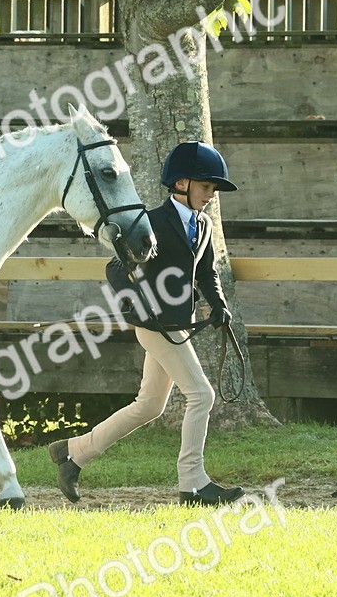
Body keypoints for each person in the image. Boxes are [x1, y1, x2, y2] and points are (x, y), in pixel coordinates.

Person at [48, 141, 245, 506]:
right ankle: (193, 483)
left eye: (213, 190)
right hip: (155, 326)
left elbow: (206, 272)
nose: (210, 196)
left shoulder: (202, 226)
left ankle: (73, 454)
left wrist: (219, 305)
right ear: (182, 183)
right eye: (206, 187)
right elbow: (115, 267)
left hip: (179, 324)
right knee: (202, 395)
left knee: (149, 406)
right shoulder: (151, 222)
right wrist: (134, 300)